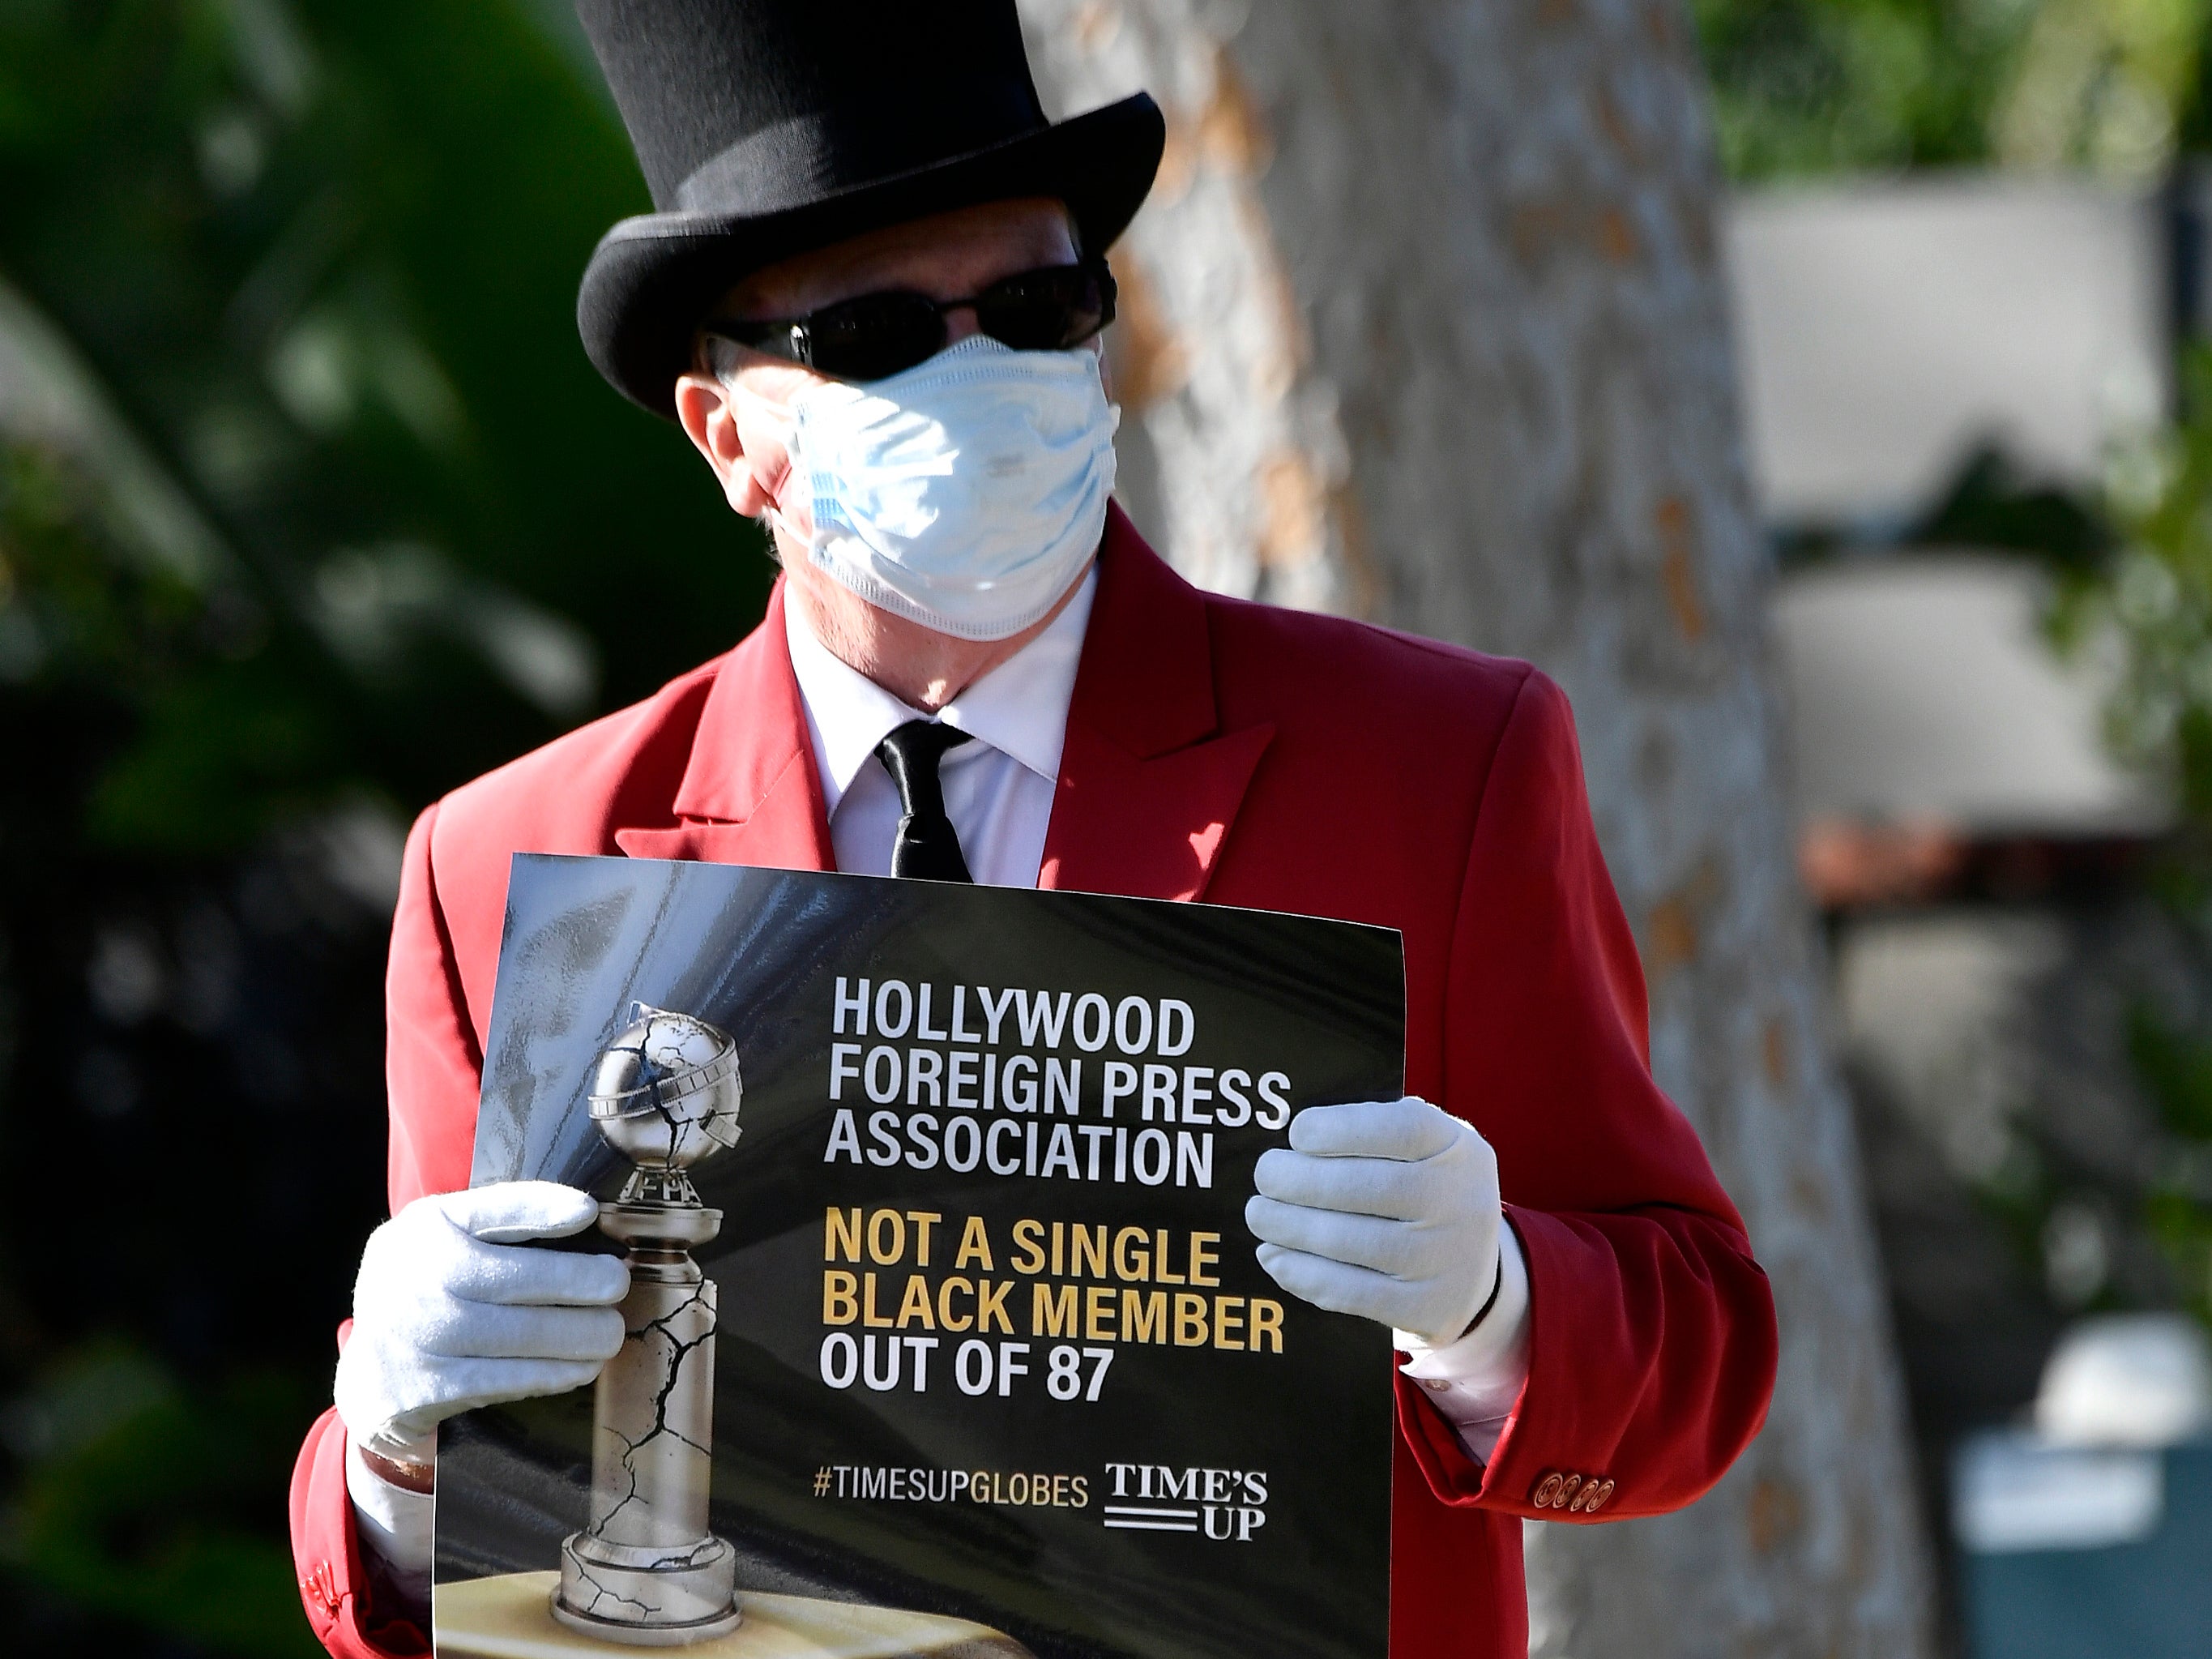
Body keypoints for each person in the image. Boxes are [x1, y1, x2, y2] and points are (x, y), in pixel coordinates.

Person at [288, 3, 1779, 1657]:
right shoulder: (507, 863)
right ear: (731, 441)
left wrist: (1491, 1298)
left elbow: (1695, 1360)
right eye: (869, 336)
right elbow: (435, 1595)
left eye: (1035, 303)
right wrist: (394, 1447)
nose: (980, 370)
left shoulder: (1440, 762)